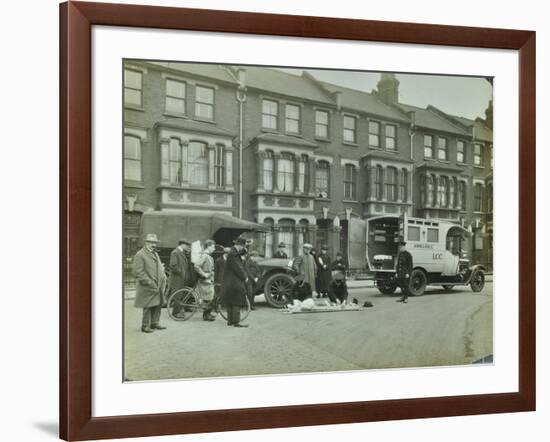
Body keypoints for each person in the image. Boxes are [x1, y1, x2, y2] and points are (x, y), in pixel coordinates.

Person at [133, 233, 167, 333]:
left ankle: (155, 323)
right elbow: (137, 272)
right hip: (147, 285)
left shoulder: (155, 253)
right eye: (151, 242)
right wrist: (149, 282)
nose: (154, 245)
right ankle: (145, 326)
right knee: (147, 305)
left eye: (155, 243)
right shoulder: (140, 254)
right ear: (146, 242)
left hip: (158, 284)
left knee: (157, 304)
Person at [221, 237, 249, 327]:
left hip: (229, 281)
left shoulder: (233, 251)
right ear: (240, 245)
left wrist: (244, 250)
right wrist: (245, 277)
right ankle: (236, 322)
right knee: (236, 300)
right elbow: (238, 267)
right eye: (243, 246)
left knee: (230, 301)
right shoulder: (233, 253)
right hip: (234, 281)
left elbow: (240, 253)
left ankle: (230, 321)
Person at [168, 238, 195, 319]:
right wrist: (181, 272)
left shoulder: (181, 253)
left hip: (181, 278)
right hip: (177, 279)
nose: (188, 247)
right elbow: (173, 266)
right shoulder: (175, 252)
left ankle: (178, 311)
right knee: (177, 295)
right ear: (182, 244)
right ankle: (175, 313)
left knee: (180, 295)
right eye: (187, 245)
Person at [194, 239, 217, 321]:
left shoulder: (208, 256)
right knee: (209, 297)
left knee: (210, 297)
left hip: (208, 279)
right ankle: (206, 315)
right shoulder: (204, 255)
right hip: (204, 280)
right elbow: (197, 266)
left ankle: (207, 314)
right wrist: (204, 274)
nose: (214, 249)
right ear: (209, 246)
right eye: (213, 247)